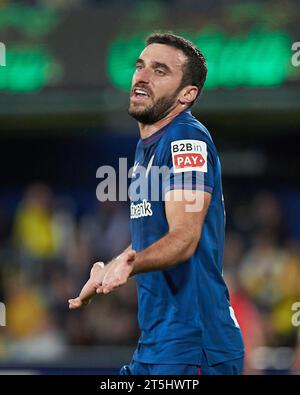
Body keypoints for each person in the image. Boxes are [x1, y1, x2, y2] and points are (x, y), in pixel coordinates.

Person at [69, 32, 245, 375]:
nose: (142, 76)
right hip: (159, 345)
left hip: (194, 347)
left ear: (187, 94)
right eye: (141, 66)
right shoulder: (147, 150)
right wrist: (113, 265)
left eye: (160, 71)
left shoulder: (186, 139)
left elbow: (184, 237)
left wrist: (130, 265)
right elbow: (155, 237)